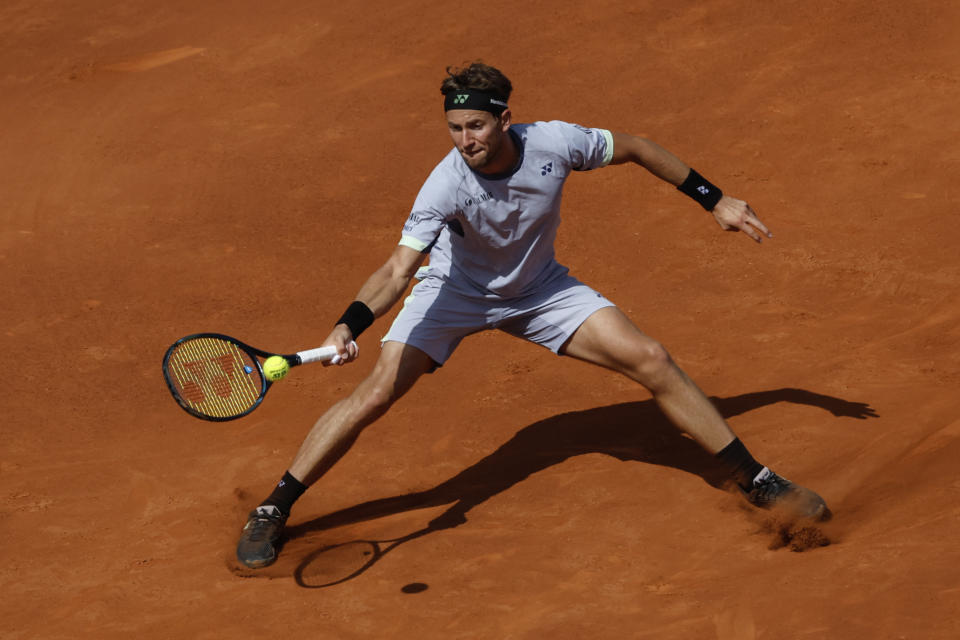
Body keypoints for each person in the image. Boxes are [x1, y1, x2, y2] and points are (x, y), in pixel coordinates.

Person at [236, 62, 830, 569]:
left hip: (539, 289)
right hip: (455, 291)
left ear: (504, 119)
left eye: (474, 125)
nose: (464, 140)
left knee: (651, 358)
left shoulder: (557, 142)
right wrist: (350, 324)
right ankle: (273, 507)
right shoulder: (444, 185)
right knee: (374, 396)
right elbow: (398, 270)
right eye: (453, 128)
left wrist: (715, 199)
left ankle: (758, 481)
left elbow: (638, 148)